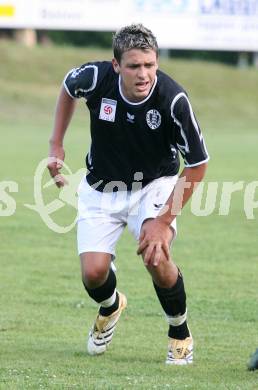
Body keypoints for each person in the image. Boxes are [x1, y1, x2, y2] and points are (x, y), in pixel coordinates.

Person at [47, 23, 209, 365]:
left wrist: (164, 220)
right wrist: (56, 143)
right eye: (134, 65)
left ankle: (179, 332)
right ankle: (111, 305)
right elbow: (67, 88)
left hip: (154, 185)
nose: (143, 74)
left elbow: (196, 165)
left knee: (156, 257)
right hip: (100, 187)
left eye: (150, 65)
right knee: (93, 274)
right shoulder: (95, 77)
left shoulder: (173, 100)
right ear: (116, 65)